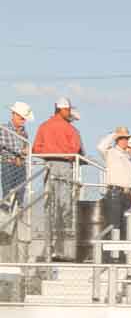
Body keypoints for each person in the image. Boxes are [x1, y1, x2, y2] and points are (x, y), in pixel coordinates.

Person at [31, 97, 83, 260]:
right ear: (63, 110)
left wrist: (50, 151)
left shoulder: (44, 127)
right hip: (65, 166)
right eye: (68, 110)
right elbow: (76, 149)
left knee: (50, 204)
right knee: (64, 205)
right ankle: (60, 246)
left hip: (48, 165)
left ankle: (49, 244)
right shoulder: (70, 129)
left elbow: (36, 148)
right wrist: (63, 152)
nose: (69, 112)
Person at [96, 126, 131, 241]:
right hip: (115, 192)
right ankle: (110, 255)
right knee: (113, 225)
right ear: (117, 140)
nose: (124, 141)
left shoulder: (129, 157)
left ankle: (120, 254)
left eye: (126, 138)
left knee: (124, 226)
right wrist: (114, 134)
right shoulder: (111, 152)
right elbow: (100, 147)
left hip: (127, 194)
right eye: (122, 138)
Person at [1, 102, 32, 204]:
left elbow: (25, 149)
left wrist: (23, 154)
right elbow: (3, 146)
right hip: (8, 164)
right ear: (13, 114)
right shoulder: (3, 129)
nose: (23, 120)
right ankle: (5, 214)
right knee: (7, 193)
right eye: (21, 117)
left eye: (24, 118)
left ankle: (17, 214)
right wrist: (21, 152)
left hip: (21, 166)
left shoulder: (24, 133)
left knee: (20, 194)